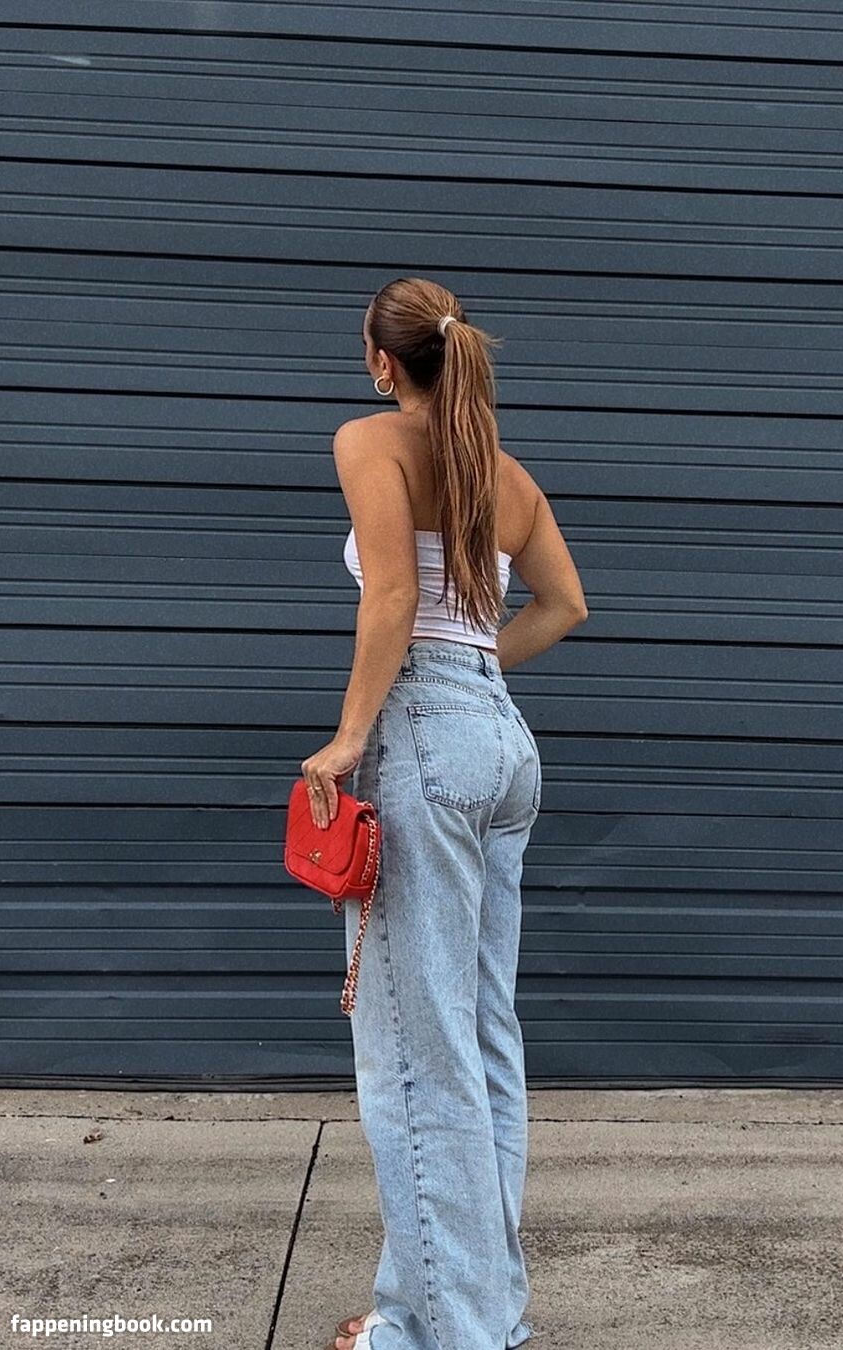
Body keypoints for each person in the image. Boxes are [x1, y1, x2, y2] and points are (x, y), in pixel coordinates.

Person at [301, 277, 588, 1350]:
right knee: (478, 1040)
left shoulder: (369, 442)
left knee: (416, 1057)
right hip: (500, 746)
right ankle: (452, 1315)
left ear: (385, 363)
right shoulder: (506, 475)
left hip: (423, 743)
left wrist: (349, 735)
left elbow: (391, 596)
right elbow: (564, 605)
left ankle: (453, 1334)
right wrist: (475, 674)